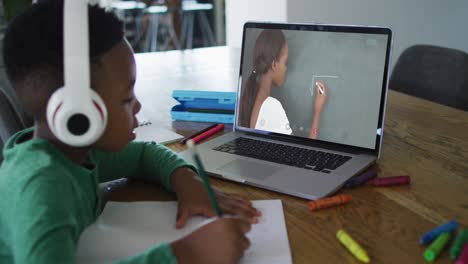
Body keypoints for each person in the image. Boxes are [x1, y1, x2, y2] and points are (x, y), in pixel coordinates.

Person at [0, 2, 260, 263]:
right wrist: (186, 254)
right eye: (126, 98)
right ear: (78, 115)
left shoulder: (74, 153)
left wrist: (187, 182)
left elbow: (144, 155)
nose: (137, 106)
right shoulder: (42, 189)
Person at [239, 29, 328, 139]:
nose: (286, 69)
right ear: (274, 65)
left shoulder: (251, 98)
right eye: (285, 63)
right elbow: (301, 154)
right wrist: (317, 112)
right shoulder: (271, 107)